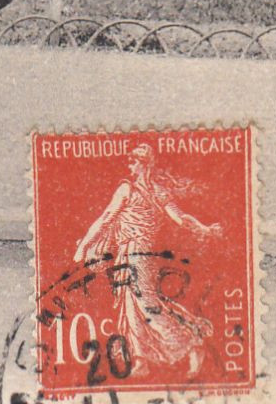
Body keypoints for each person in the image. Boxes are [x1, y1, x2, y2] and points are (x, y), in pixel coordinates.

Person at [74, 144, 223, 379]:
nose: (129, 166)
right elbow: (181, 219)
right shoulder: (155, 191)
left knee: (146, 305)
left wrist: (83, 246)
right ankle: (141, 360)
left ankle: (191, 342)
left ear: (144, 164)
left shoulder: (130, 189)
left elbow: (106, 218)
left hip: (137, 254)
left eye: (133, 162)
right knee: (131, 307)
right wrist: (205, 229)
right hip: (129, 253)